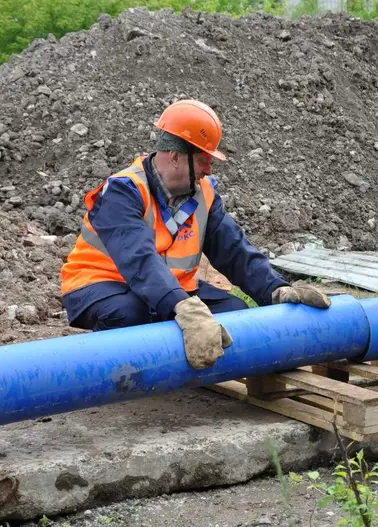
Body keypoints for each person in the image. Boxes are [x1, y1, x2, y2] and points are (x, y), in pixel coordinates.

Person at [61, 99, 331, 369]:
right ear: (176, 157)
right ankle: (119, 370)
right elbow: (139, 259)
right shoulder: (124, 191)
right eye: (203, 160)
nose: (209, 170)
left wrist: (274, 289)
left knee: (236, 314)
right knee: (131, 314)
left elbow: (234, 250)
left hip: (170, 289)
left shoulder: (204, 195)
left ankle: (175, 354)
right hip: (101, 286)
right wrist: (184, 308)